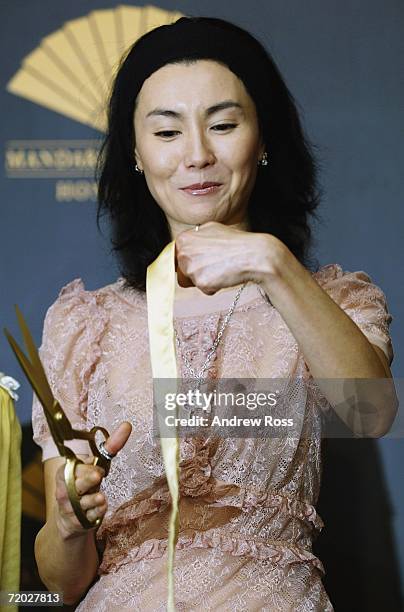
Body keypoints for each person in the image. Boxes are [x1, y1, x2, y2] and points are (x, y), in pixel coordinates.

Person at [32, 16, 396, 611]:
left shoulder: (328, 298)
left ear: (264, 138)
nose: (197, 156)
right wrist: (70, 524)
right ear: (136, 152)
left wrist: (273, 264)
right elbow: (60, 583)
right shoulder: (85, 325)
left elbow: (372, 412)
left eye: (223, 125)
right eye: (167, 132)